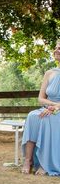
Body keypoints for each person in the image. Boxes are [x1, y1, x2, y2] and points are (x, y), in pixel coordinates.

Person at [21, 41, 60, 176]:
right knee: (33, 116)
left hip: (58, 110)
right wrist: (50, 106)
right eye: (56, 47)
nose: (56, 50)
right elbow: (40, 98)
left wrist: (55, 107)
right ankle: (28, 160)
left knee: (47, 119)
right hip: (48, 106)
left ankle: (45, 163)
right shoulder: (49, 73)